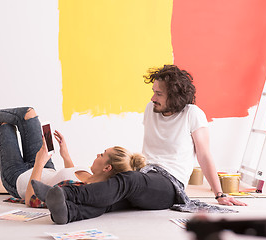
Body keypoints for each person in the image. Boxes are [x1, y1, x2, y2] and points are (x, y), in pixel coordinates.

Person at [30, 64, 246, 224]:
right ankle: (69, 213)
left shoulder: (192, 114)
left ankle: (66, 194)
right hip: (146, 175)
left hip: (169, 185)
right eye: (153, 92)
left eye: (159, 94)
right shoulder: (150, 109)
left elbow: (204, 155)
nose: (153, 98)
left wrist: (220, 194)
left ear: (175, 96)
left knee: (129, 180)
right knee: (112, 198)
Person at [0, 93, 146, 207]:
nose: (98, 154)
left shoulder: (83, 191)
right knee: (29, 113)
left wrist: (39, 162)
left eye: (102, 155)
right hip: (45, 165)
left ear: (107, 168)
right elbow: (70, 172)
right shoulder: (91, 175)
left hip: (19, 178)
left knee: (5, 126)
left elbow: (31, 199)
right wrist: (65, 154)